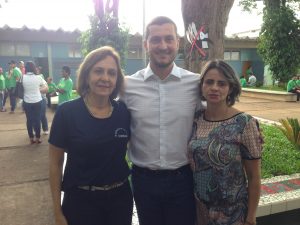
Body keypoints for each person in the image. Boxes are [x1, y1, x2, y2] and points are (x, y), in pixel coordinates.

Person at [121, 16, 199, 225]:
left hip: (183, 180)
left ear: (178, 43)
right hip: (143, 180)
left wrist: (244, 124)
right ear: (146, 44)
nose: (162, 46)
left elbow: (219, 111)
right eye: (155, 39)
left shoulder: (195, 84)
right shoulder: (127, 86)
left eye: (168, 39)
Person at [49, 46, 133, 225]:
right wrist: (57, 212)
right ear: (87, 75)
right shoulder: (67, 113)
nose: (105, 78)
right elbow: (55, 164)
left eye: (112, 73)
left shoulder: (123, 112)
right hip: (81, 202)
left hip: (120, 200)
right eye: (98, 71)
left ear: (117, 79)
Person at [188, 60, 263, 225]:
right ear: (201, 86)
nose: (214, 88)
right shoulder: (196, 120)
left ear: (231, 88)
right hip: (200, 211)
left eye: (222, 83)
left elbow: (254, 177)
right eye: (209, 82)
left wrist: (251, 218)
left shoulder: (244, 123)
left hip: (233, 214)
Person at [22, 61, 48, 144]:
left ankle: (31, 138)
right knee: (37, 120)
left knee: (29, 120)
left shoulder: (22, 77)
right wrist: (38, 90)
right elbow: (46, 88)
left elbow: (20, 88)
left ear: (26, 68)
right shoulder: (39, 77)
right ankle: (38, 138)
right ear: (34, 68)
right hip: (37, 101)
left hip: (27, 101)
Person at [36, 66, 49, 135]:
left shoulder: (41, 77)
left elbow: (46, 89)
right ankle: (36, 130)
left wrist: (37, 90)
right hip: (35, 99)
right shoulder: (32, 79)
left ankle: (45, 129)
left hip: (42, 99)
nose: (36, 71)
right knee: (36, 115)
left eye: (37, 70)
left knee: (42, 115)